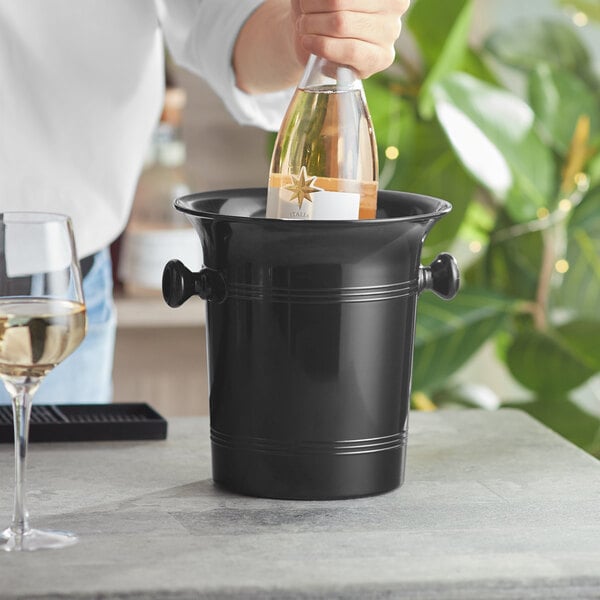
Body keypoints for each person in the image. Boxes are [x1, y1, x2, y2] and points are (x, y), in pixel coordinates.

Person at [0, 0, 410, 405]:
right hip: (47, 302)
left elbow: (230, 18)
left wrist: (309, 27)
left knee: (54, 474)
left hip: (49, 305)